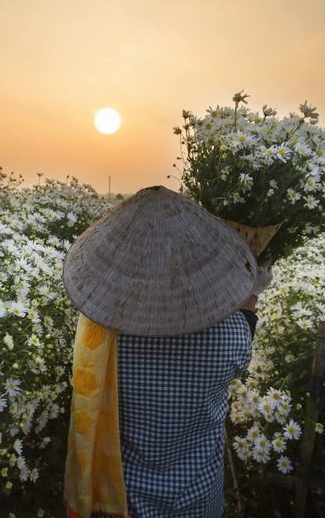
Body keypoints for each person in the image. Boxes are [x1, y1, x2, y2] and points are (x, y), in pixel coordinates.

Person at [63, 186, 273, 518]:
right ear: (198, 265)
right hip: (196, 500)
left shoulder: (102, 337)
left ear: (125, 267)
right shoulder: (231, 334)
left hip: (123, 499)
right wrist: (251, 296)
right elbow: (241, 352)